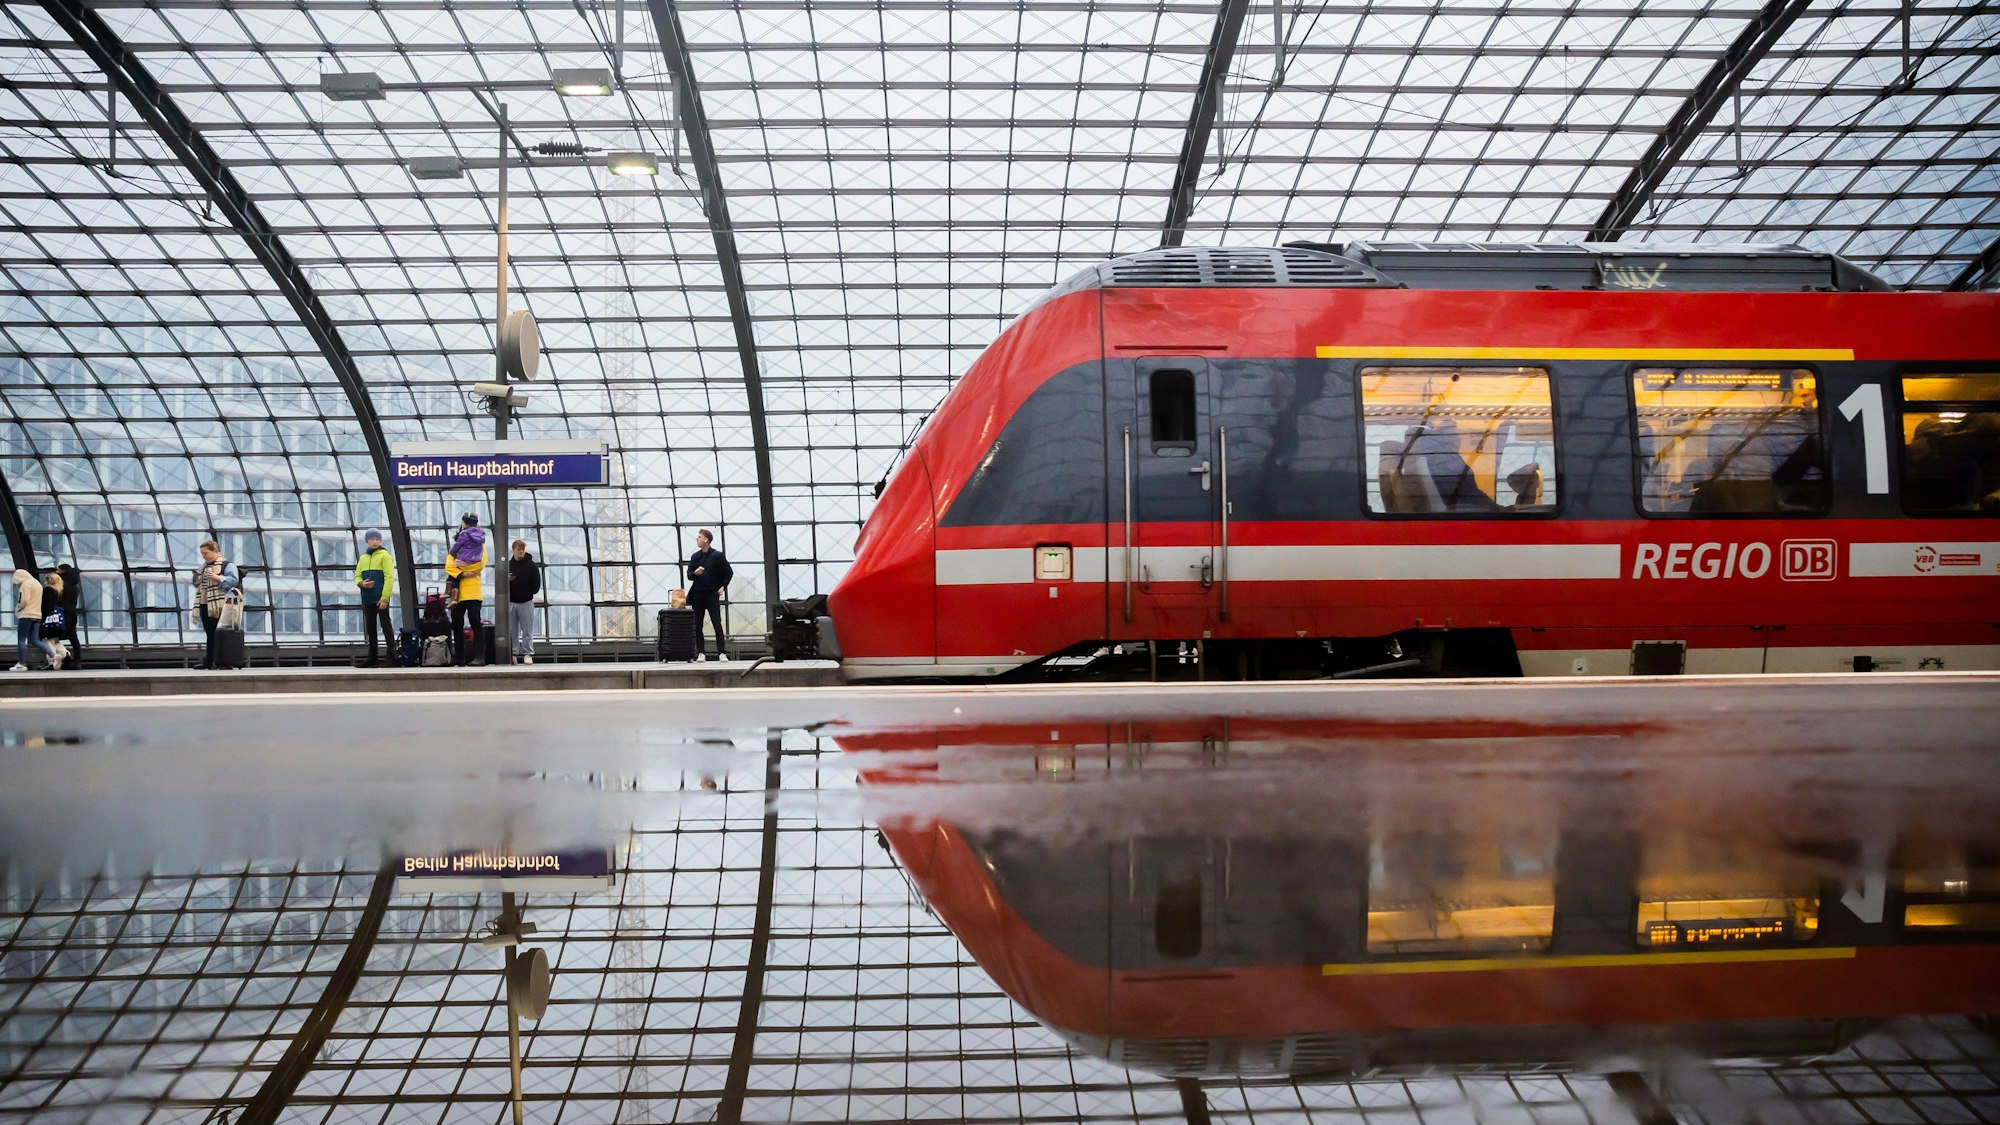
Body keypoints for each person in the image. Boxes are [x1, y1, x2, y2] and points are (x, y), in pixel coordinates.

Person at [444, 514, 488, 666]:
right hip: (459, 590)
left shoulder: (479, 545)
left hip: (473, 589)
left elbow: (481, 564)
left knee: (475, 621)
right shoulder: (457, 545)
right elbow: (448, 566)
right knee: (456, 622)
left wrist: (460, 568)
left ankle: (480, 656)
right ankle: (459, 656)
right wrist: (465, 573)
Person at [189, 540, 240, 670]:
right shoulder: (203, 567)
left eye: (206, 553)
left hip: (221, 603)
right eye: (202, 554)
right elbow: (197, 584)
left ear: (214, 551)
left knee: (221, 632)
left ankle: (223, 661)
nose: (204, 556)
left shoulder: (227, 565)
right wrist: (197, 578)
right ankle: (210, 660)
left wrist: (218, 578)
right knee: (210, 633)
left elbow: (234, 581)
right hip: (205, 602)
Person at [685, 529, 733, 661]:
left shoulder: (717, 556)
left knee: (717, 623)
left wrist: (723, 586)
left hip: (712, 594)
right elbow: (689, 575)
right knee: (697, 625)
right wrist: (695, 573)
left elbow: (728, 572)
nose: (697, 539)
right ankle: (701, 652)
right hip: (697, 595)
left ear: (706, 539)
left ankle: (722, 652)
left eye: (699, 537)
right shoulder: (695, 557)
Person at [353, 529, 396, 667]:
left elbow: (389, 578)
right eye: (372, 539)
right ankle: (372, 657)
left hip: (380, 598)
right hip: (367, 598)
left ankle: (392, 657)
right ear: (367, 540)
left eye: (377, 539)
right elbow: (357, 576)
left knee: (386, 626)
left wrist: (384, 598)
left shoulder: (385, 556)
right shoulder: (363, 558)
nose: (375, 541)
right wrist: (361, 583)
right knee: (371, 628)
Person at [12, 569, 61, 671]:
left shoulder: (25, 584)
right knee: (35, 640)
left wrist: (17, 609)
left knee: (21, 640)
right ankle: (53, 655)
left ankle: (22, 664)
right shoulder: (37, 584)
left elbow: (23, 600)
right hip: (37, 615)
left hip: (26, 614)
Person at [507, 539, 540, 665]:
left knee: (527, 630)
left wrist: (525, 590)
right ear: (514, 550)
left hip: (526, 602)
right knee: (512, 630)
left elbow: (536, 586)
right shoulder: (508, 565)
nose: (521, 552)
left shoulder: (532, 566)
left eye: (522, 549)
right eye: (519, 549)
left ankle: (527, 653)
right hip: (512, 602)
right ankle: (514, 653)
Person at [39, 571, 72, 668]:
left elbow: (47, 607)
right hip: (58, 621)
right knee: (55, 641)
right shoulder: (60, 591)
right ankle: (65, 655)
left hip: (49, 621)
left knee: (47, 642)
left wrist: (42, 618)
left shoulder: (48, 590)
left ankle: (52, 661)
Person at [53, 562, 82, 670]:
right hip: (72, 612)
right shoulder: (74, 586)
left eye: (58, 570)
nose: (56, 572)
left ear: (62, 571)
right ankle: (76, 660)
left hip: (63, 613)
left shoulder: (61, 585)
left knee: (52, 637)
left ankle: (62, 658)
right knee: (73, 637)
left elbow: (58, 600)